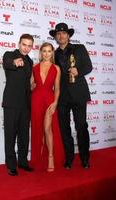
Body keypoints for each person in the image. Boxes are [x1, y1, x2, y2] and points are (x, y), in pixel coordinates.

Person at [49, 23, 93, 169]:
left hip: (79, 94)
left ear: (68, 35)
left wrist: (78, 71)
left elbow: (89, 66)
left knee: (81, 126)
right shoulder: (53, 54)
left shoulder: (79, 48)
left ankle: (85, 158)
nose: (61, 35)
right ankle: (69, 158)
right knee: (64, 129)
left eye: (64, 33)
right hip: (62, 97)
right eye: (58, 34)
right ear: (56, 37)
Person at [2, 34, 34, 176]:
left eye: (29, 45)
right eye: (24, 44)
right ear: (19, 44)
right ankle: (11, 165)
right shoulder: (9, 55)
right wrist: (14, 62)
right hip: (11, 103)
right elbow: (7, 62)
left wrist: (32, 86)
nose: (26, 48)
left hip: (25, 104)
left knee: (24, 135)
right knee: (10, 135)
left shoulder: (30, 61)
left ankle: (22, 161)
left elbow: (26, 82)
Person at [30, 42, 64, 172]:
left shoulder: (56, 68)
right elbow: (31, 85)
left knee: (47, 128)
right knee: (38, 129)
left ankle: (50, 156)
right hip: (36, 99)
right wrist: (31, 85)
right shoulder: (34, 67)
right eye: (44, 51)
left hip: (49, 100)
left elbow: (57, 88)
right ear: (40, 53)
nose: (46, 54)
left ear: (52, 53)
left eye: (49, 51)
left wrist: (55, 102)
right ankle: (38, 157)